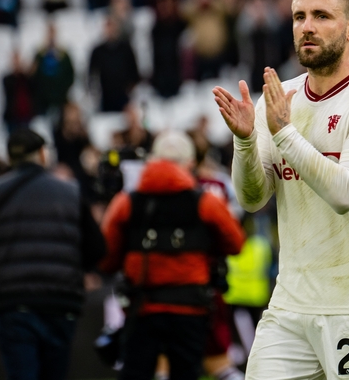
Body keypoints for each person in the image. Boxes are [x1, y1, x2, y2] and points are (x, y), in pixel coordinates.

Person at [213, 0, 349, 379]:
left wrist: (284, 132)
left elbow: (345, 192)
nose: (307, 26)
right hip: (291, 305)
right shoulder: (282, 98)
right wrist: (247, 141)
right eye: (299, 16)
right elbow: (252, 199)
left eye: (321, 16)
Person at [99, 130, 246, 380]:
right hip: (191, 307)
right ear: (190, 163)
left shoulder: (126, 202)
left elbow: (106, 257)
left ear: (153, 160)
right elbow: (235, 243)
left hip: (142, 308)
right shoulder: (206, 202)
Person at [0, 128, 107, 380]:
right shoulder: (71, 192)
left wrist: (2, 265)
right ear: (42, 154)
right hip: (61, 301)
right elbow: (97, 249)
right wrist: (72, 268)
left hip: (13, 302)